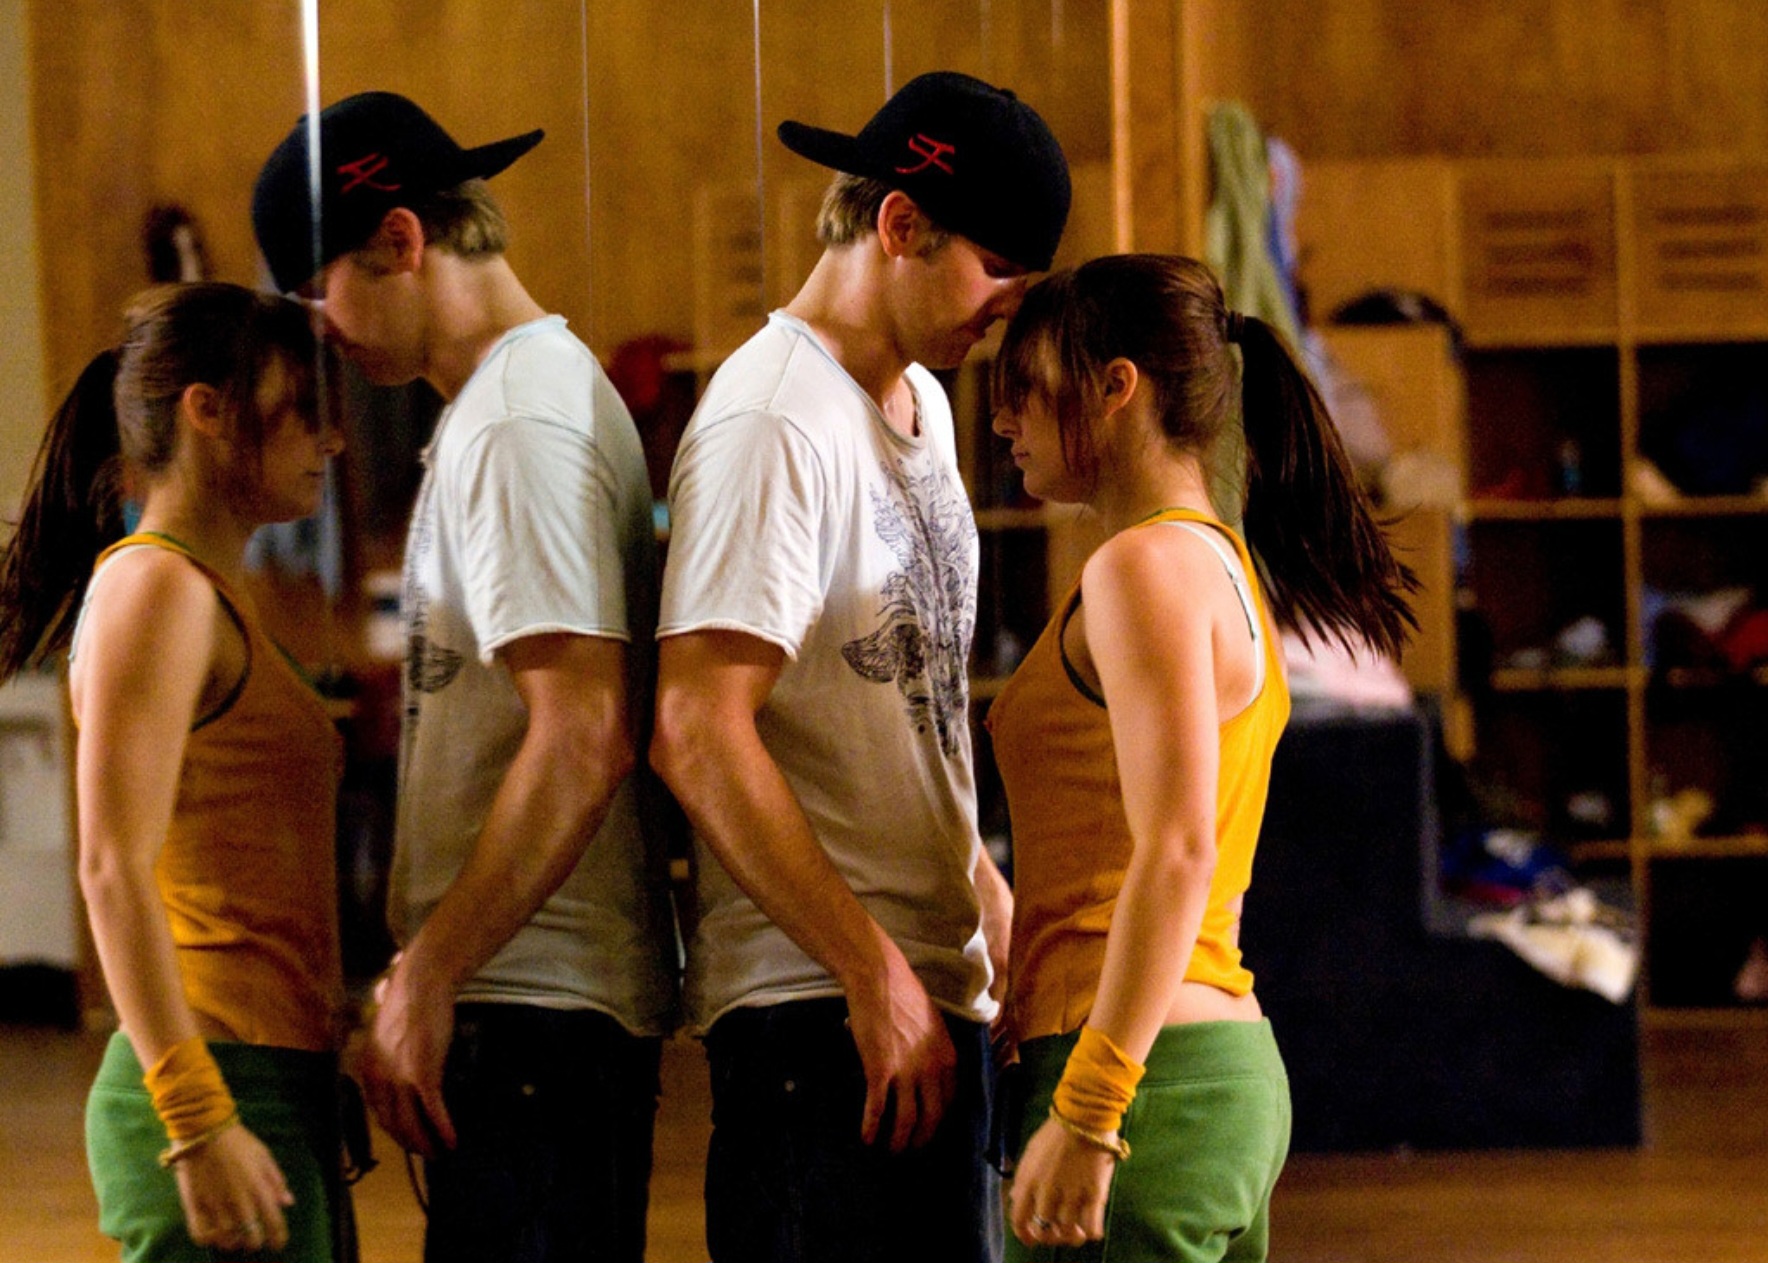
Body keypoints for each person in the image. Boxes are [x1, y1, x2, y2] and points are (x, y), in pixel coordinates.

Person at [648, 70, 1070, 1263]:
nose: (1007, 311)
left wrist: (986, 905)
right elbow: (695, 730)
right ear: (899, 223)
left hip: (919, 991)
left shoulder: (924, 401)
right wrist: (869, 972)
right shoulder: (772, 421)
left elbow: (900, 711)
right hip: (815, 1018)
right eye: (996, 271)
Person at [251, 91, 678, 1263]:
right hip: (529, 1007)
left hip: (539, 1016)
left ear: (399, 241)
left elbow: (583, 736)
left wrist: (428, 974)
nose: (318, 332)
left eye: (318, 292)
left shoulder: (515, 426)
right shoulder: (508, 405)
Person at [986, 254, 1416, 1261]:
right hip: (1208, 1066)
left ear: (1115, 386)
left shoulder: (1142, 567)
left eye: (1024, 387)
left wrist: (1092, 1107)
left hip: (1141, 1078)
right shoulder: (1215, 559)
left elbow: (1178, 850)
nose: (1003, 419)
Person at [0, 282, 351, 1260]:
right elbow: (110, 866)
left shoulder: (204, 592)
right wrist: (196, 1117)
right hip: (215, 1082)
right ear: (207, 410)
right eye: (302, 408)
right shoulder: (155, 585)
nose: (330, 440)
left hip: (269, 1078)